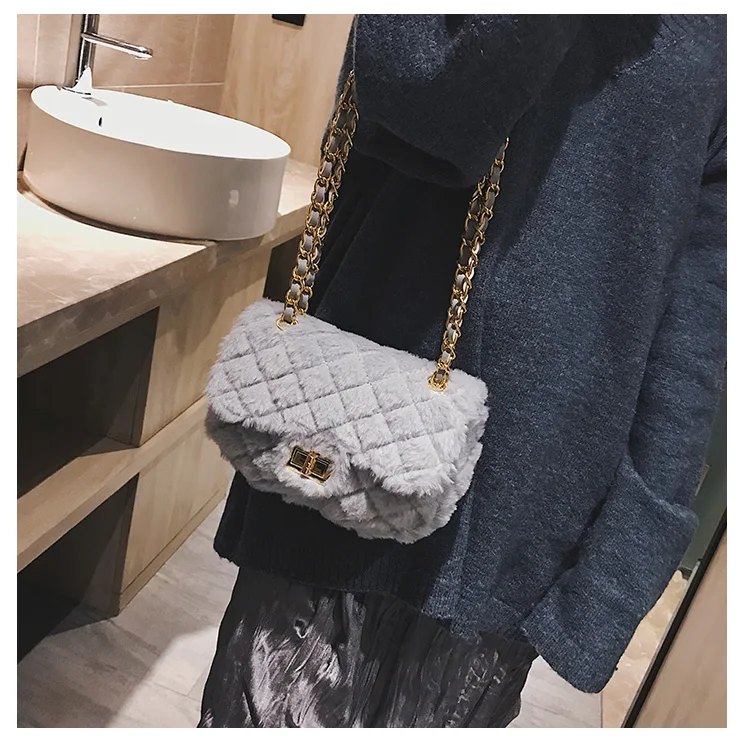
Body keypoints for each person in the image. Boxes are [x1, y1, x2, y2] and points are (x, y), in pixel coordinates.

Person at [198, 14, 727, 728]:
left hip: (526, 519)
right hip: (353, 447)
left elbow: (697, 322)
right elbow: (423, 102)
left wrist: (618, 567)